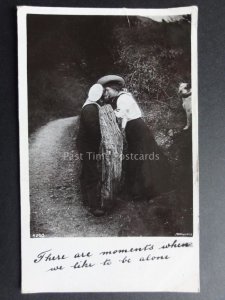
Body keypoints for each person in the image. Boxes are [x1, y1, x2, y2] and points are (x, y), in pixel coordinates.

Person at [97, 75, 171, 201]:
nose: (106, 93)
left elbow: (119, 115)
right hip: (134, 129)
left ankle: (147, 190)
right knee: (138, 157)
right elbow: (123, 119)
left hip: (137, 129)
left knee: (142, 157)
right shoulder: (122, 97)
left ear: (114, 89)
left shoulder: (123, 99)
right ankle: (139, 190)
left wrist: (103, 114)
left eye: (107, 90)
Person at [76, 84, 105, 217]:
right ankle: (94, 207)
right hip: (87, 146)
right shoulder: (90, 109)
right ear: (98, 97)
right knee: (92, 174)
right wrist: (103, 139)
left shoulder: (90, 106)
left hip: (85, 144)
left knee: (86, 171)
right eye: (102, 95)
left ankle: (86, 199)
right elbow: (94, 130)